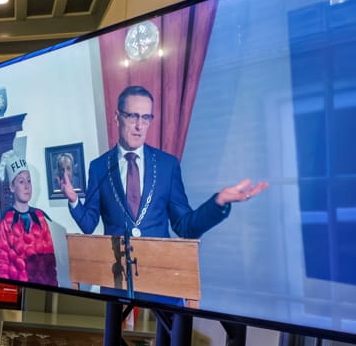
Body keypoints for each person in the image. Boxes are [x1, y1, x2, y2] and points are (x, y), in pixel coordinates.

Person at [60, 85, 268, 239]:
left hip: (159, 275)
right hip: (117, 278)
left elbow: (185, 227)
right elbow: (88, 225)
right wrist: (74, 200)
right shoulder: (99, 167)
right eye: (132, 116)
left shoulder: (167, 165)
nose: (139, 126)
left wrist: (218, 202)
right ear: (117, 117)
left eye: (146, 118)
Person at [0, 151, 57, 285]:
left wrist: (53, 285)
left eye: (29, 181)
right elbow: (3, 263)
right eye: (21, 181)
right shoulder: (5, 222)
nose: (27, 186)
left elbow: (50, 258)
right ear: (12, 187)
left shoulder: (40, 218)